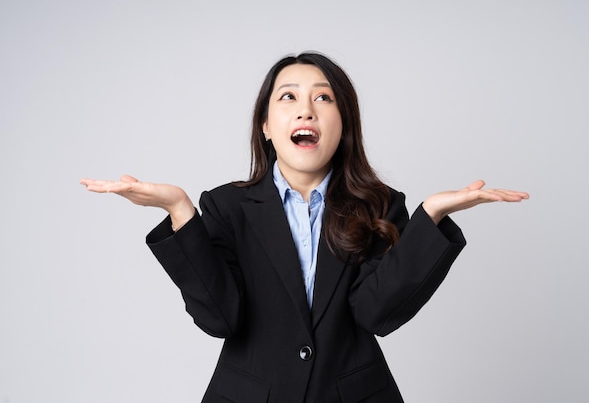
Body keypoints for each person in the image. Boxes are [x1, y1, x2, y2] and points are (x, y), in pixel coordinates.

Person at [80, 52, 529, 403]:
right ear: (266, 126)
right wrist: (180, 210)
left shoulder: (382, 205)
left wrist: (429, 218)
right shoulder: (226, 206)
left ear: (343, 123)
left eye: (324, 97)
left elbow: (376, 314)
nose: (306, 111)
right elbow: (221, 318)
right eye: (289, 97)